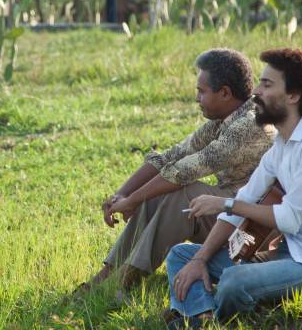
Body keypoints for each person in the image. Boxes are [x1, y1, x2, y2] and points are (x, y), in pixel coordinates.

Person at [165, 48, 302, 330]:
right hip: (288, 252)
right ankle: (201, 318)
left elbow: (289, 219)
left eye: (266, 84)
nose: (256, 93)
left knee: (234, 282)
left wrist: (224, 204)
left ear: (293, 95)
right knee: (182, 255)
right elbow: (245, 199)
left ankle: (200, 317)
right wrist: (200, 259)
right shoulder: (282, 145)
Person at [81, 49, 276, 294]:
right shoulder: (221, 122)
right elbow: (170, 158)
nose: (197, 99)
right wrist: (120, 196)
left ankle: (125, 280)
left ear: (225, 93)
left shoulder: (250, 124)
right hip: (229, 212)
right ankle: (107, 275)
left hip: (254, 229)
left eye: (201, 91)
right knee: (161, 191)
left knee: (184, 194)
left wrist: (132, 200)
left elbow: (184, 171)